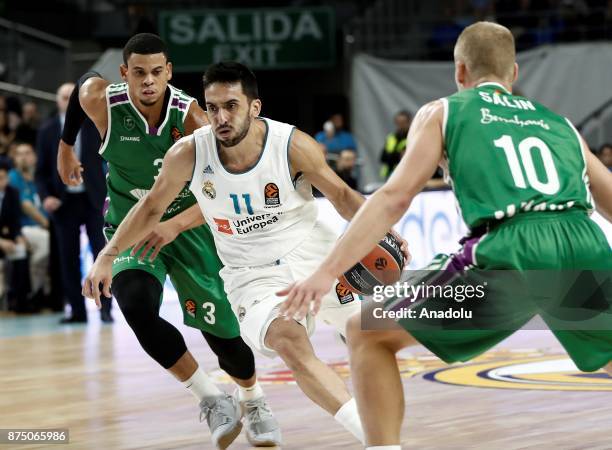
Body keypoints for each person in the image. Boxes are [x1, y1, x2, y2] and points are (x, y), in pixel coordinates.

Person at [279, 21, 612, 450]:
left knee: (366, 331)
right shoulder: (560, 124)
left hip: (510, 252)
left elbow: (394, 197)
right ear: (514, 75)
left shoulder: (445, 110)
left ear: (459, 72)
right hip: (581, 243)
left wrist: (327, 271)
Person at [82, 61, 408, 446]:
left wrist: (381, 227)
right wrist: (108, 254)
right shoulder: (188, 153)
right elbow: (151, 207)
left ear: (254, 108)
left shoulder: (293, 144)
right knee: (291, 344)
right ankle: (375, 440)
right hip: (251, 273)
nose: (220, 117)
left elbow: (340, 195)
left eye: (231, 106)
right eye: (213, 107)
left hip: (315, 252)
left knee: (367, 335)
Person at [59, 34, 279, 449]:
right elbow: (83, 85)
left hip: (190, 227)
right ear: (124, 74)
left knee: (224, 337)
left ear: (169, 73)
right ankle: (212, 398)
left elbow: (228, 192)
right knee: (137, 306)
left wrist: (176, 225)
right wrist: (66, 146)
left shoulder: (193, 120)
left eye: (157, 72)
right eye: (138, 72)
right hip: (131, 228)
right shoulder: (102, 102)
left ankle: (253, 399)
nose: (148, 81)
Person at [36, 83, 112, 324]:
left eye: (72, 97)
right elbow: (41, 172)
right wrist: (46, 196)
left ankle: (106, 309)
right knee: (68, 258)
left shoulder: (94, 124)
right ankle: (77, 312)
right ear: (57, 101)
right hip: (63, 201)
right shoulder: (47, 130)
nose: (68, 101)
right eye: (64, 97)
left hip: (93, 200)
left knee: (102, 253)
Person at [9, 142, 49, 301]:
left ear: (35, 156)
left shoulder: (39, 177)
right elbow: (25, 205)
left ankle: (40, 290)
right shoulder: (13, 176)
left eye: (27, 153)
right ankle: (35, 291)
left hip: (43, 227)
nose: (24, 157)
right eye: (19, 154)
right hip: (25, 227)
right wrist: (47, 224)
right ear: (15, 159)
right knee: (47, 243)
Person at [0, 161, 30, 312]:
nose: (2, 181)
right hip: (1, 240)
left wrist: (18, 236)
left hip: (8, 237)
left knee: (21, 251)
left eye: (3, 177)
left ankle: (19, 300)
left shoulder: (12, 193)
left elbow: (15, 219)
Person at [379, 110, 411, 180]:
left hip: (404, 174)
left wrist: (391, 155)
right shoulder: (391, 137)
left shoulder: (412, 137)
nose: (400, 125)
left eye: (403, 123)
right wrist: (397, 155)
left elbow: (407, 158)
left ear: (409, 122)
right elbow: (382, 157)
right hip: (388, 174)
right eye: (398, 123)